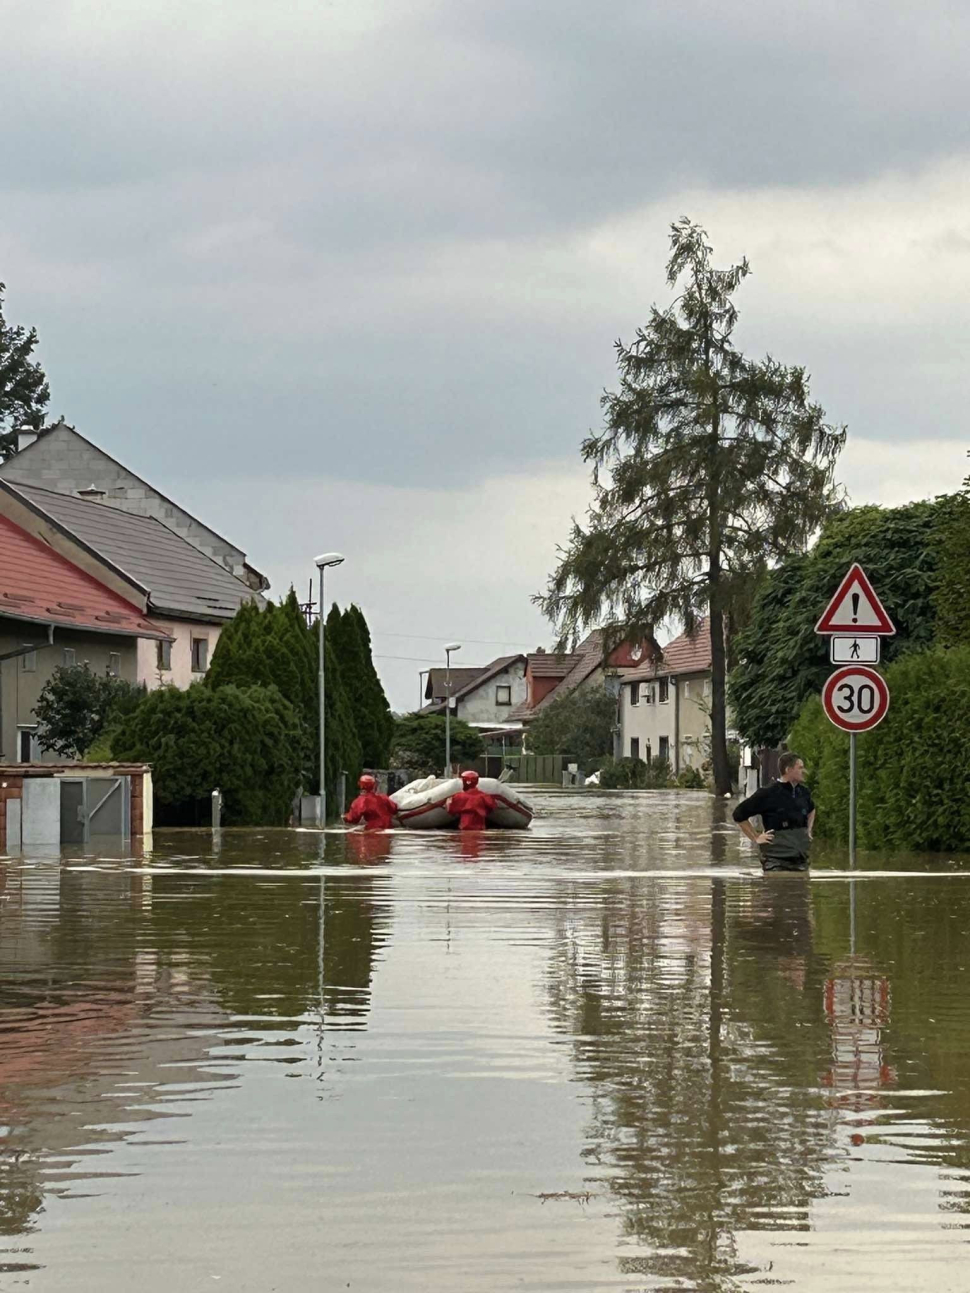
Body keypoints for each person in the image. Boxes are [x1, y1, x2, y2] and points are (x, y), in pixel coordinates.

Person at [732, 751, 816, 872]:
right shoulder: (767, 793)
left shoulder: (804, 792)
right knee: (775, 888)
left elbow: (812, 809)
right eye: (800, 768)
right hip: (775, 861)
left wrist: (809, 830)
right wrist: (756, 837)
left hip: (801, 860)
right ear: (788, 770)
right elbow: (739, 814)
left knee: (801, 889)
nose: (804, 771)